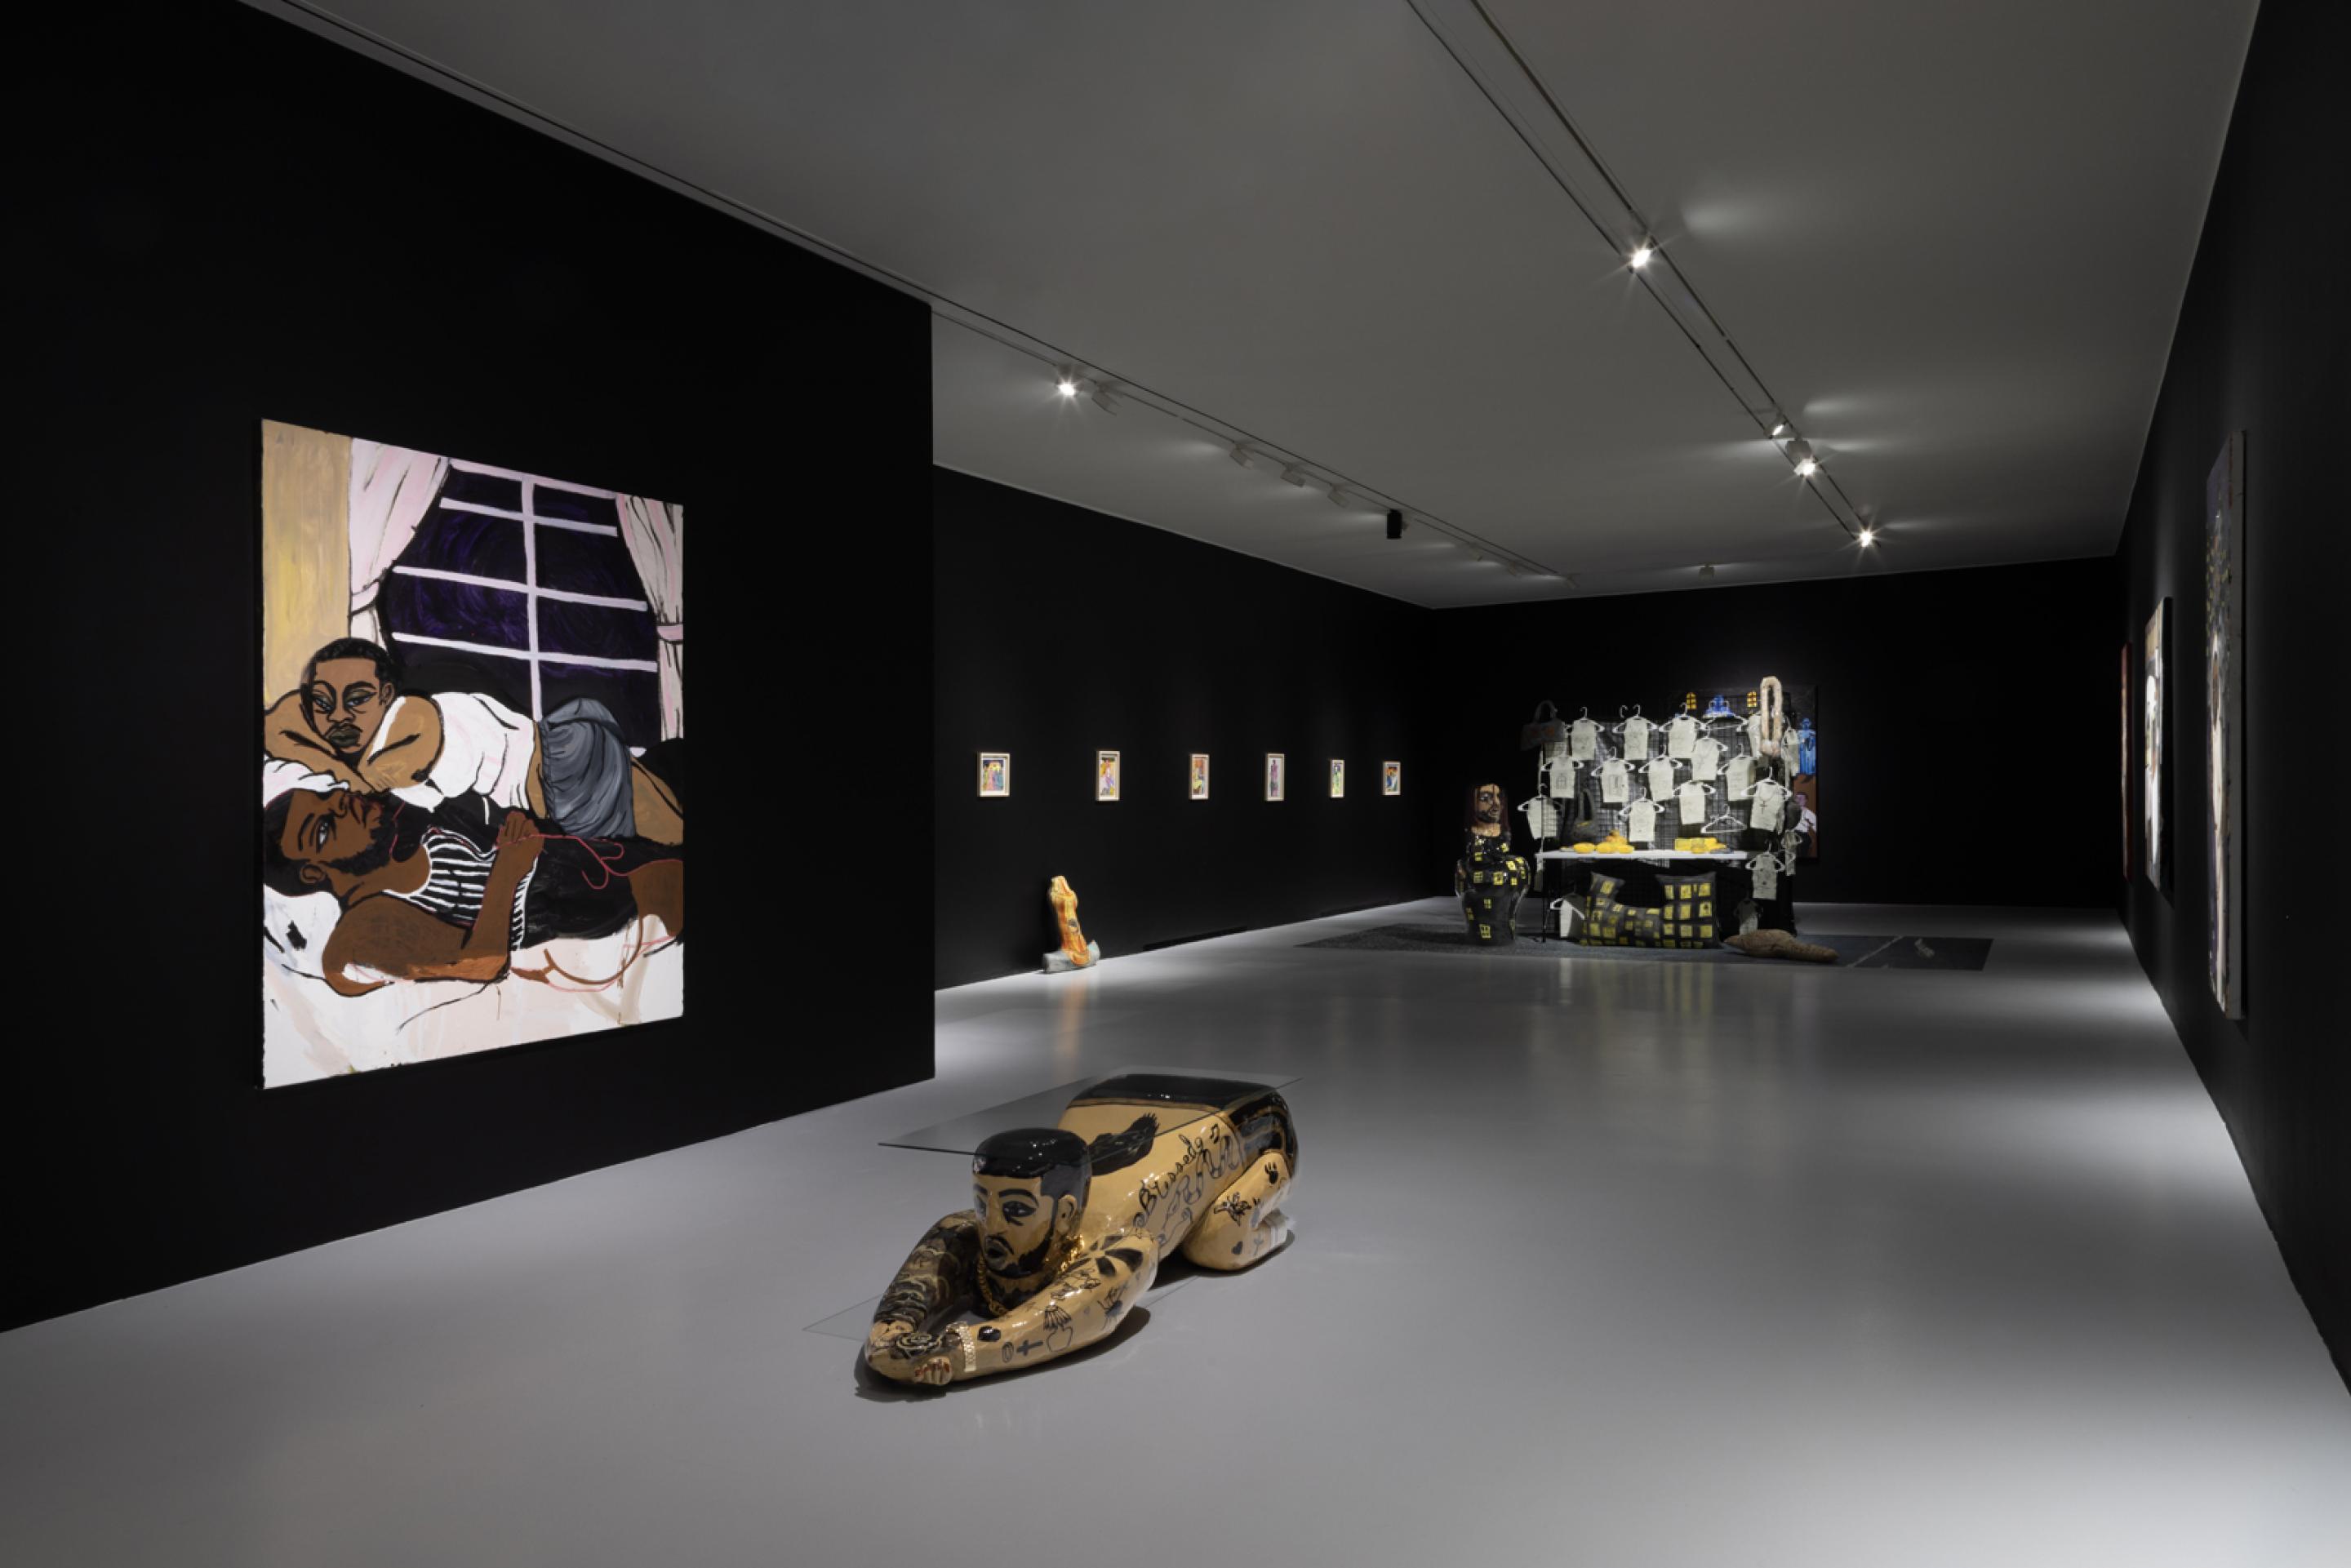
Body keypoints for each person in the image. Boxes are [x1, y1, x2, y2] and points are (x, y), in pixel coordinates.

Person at [864, 1074, 1297, 1388]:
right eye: (982, 1203)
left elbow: (1083, 1312)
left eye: (1016, 1210)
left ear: (1066, 1213)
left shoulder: (1124, 1247)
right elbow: (905, 1302)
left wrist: (959, 1354)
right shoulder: (966, 1230)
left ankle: (1277, 1228)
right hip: (1107, 1100)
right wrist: (890, 1335)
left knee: (1218, 1242)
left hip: (1262, 1132)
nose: (990, 1224)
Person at [262, 785, 682, 996]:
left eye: (326, 796)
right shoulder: (364, 924)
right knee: (669, 880)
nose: (340, 803)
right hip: (568, 903)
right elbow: (482, 962)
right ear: (314, 874)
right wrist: (509, 867)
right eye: (322, 828)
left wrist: (514, 835)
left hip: (578, 858)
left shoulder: (397, 835)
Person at [263, 637, 683, 846]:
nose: (338, 716)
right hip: (565, 753)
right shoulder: (375, 734)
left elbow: (370, 783)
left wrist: (332, 761)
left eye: (357, 699)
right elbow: (272, 726)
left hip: (567, 775)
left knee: (674, 843)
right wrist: (328, 749)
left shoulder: (412, 716)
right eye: (322, 702)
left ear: (386, 694)